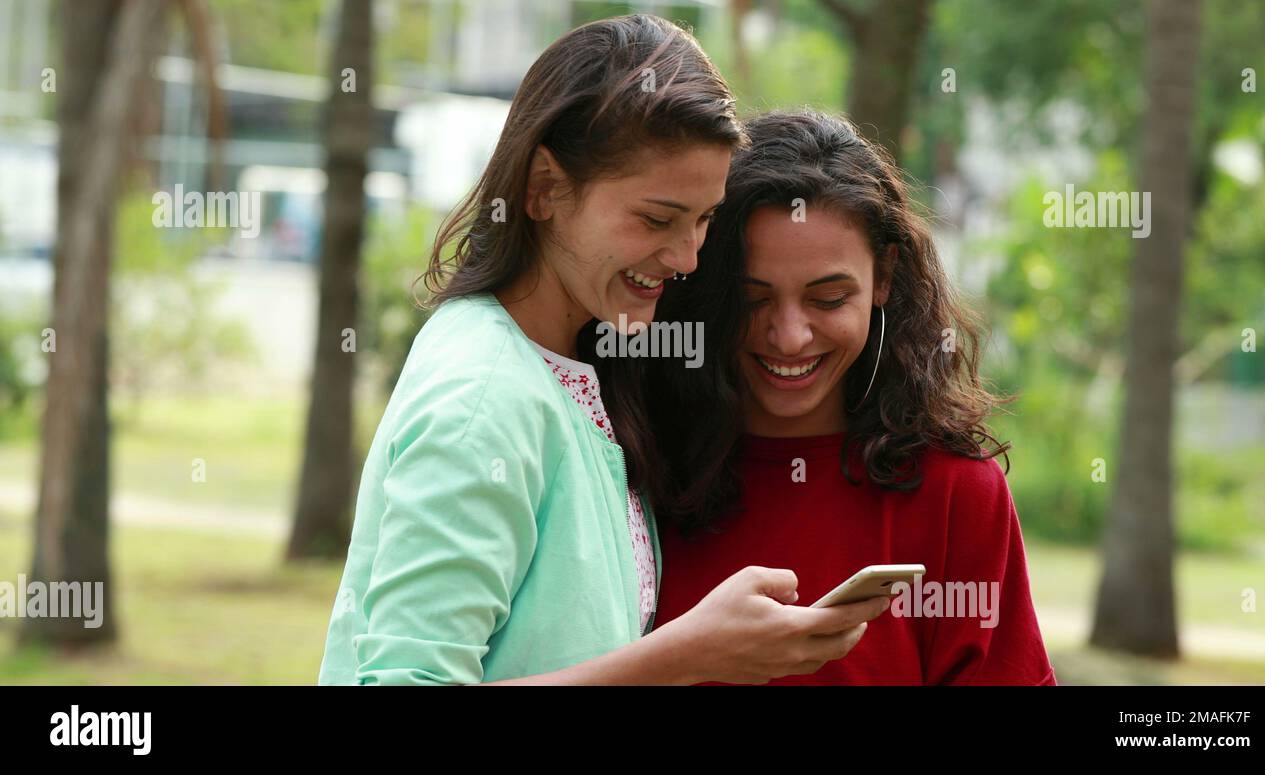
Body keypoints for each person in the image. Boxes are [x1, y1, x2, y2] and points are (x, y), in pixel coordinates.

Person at [317, 17, 890, 686]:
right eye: (656, 219)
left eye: (704, 220)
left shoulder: (578, 367)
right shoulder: (484, 394)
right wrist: (685, 655)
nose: (686, 259)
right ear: (544, 187)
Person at [647, 109, 1058, 685]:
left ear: (884, 277)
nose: (789, 335)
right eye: (753, 299)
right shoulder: (639, 462)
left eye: (828, 299)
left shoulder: (952, 494)